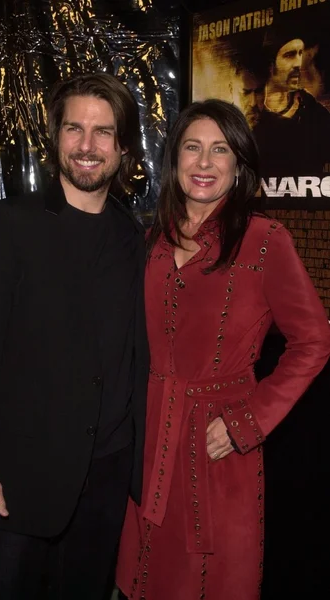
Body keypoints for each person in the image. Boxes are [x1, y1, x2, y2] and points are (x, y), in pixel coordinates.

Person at [116, 99, 330, 600]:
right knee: (144, 579)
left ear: (239, 167)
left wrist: (246, 421)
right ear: (175, 160)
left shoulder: (265, 241)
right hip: (148, 440)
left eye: (221, 150)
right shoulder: (151, 239)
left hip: (218, 445)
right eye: (193, 147)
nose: (205, 162)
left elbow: (314, 340)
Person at [0, 72, 149, 599]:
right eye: (74, 129)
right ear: (55, 137)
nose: (87, 146)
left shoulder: (136, 240)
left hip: (105, 484)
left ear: (123, 148)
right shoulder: (7, 225)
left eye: (103, 132)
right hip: (17, 484)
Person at [254, 36, 330, 176]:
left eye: (300, 53)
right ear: (270, 65)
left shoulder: (316, 115)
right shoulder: (248, 110)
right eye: (289, 55)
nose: (298, 63)